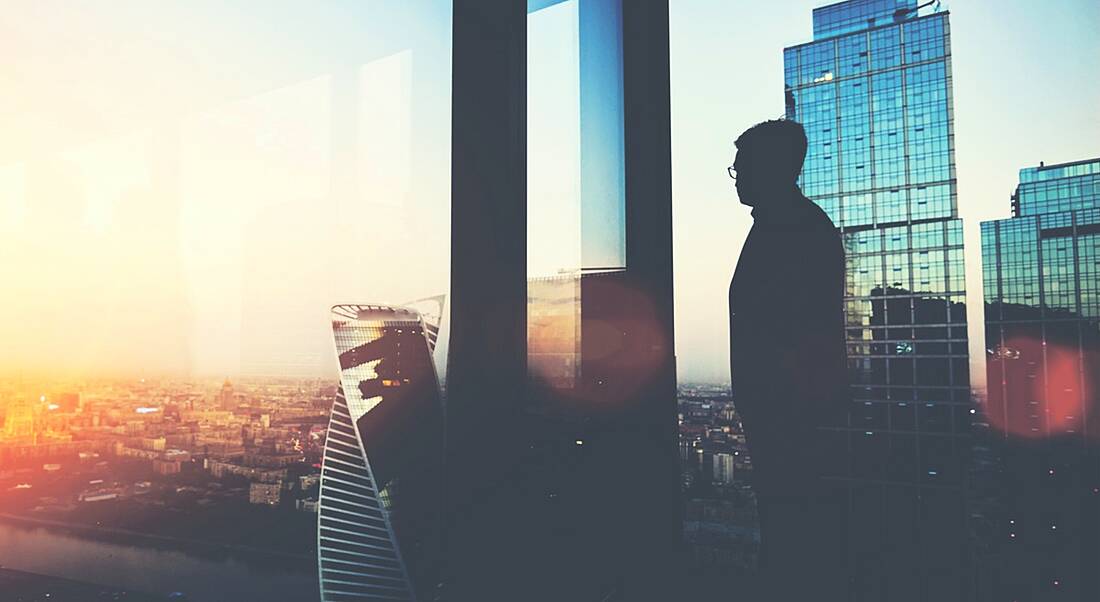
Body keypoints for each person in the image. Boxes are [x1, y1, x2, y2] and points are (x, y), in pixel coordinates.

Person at [727, 119, 849, 600]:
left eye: (742, 166)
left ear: (772, 168)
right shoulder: (792, 224)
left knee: (792, 535)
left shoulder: (793, 229)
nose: (737, 176)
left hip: (790, 416)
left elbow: (792, 327)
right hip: (787, 412)